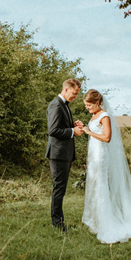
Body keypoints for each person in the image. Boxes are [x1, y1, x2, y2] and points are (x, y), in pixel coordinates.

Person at [80, 89, 131, 244]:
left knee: (101, 187)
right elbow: (93, 133)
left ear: (97, 103)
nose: (87, 108)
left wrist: (88, 132)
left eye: (89, 105)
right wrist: (84, 127)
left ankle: (106, 224)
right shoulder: (94, 116)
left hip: (101, 156)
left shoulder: (105, 116)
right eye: (86, 105)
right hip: (93, 156)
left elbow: (107, 138)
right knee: (94, 186)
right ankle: (96, 222)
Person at [46, 78, 84, 233]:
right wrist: (73, 132)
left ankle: (58, 221)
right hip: (58, 154)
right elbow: (53, 130)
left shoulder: (64, 105)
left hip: (64, 154)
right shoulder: (56, 105)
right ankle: (57, 223)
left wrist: (71, 126)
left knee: (60, 188)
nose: (75, 97)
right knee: (59, 188)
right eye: (74, 94)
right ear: (66, 89)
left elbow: (60, 126)